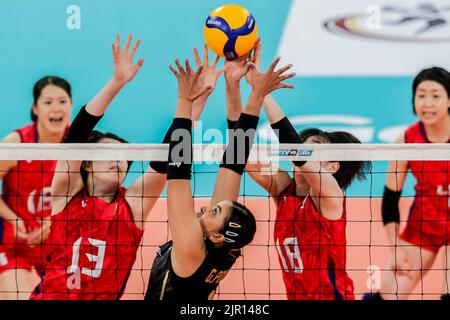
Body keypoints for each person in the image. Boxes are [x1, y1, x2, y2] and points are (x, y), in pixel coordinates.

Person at [29, 36, 221, 300]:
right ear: (86, 161)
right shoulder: (66, 195)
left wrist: (197, 100)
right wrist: (117, 81)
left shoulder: (132, 205)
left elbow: (168, 157)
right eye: (109, 152)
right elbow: (77, 136)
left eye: (123, 158)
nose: (118, 161)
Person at [144, 49, 295, 301]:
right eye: (215, 208)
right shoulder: (224, 247)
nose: (206, 208)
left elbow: (177, 170)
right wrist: (241, 89)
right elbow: (234, 161)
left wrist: (185, 100)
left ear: (216, 236)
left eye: (215, 211)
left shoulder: (191, 248)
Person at [246, 41, 368, 299]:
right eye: (304, 146)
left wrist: (264, 94)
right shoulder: (283, 190)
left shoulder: (330, 197)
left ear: (333, 166)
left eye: (314, 148)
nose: (302, 152)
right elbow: (238, 154)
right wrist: (239, 88)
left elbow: (296, 151)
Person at [364, 67, 450, 301]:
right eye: (421, 95)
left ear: (449, 99)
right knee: (387, 294)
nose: (427, 103)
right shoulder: (407, 140)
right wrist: (395, 247)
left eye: (435, 95)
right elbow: (390, 200)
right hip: (424, 225)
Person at [0, 75, 72, 299]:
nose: (56, 108)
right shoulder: (17, 144)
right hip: (16, 246)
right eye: (48, 102)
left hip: (61, 249)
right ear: (35, 108)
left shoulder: (79, 144)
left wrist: (54, 223)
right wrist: (14, 219)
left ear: (71, 105)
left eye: (62, 101)